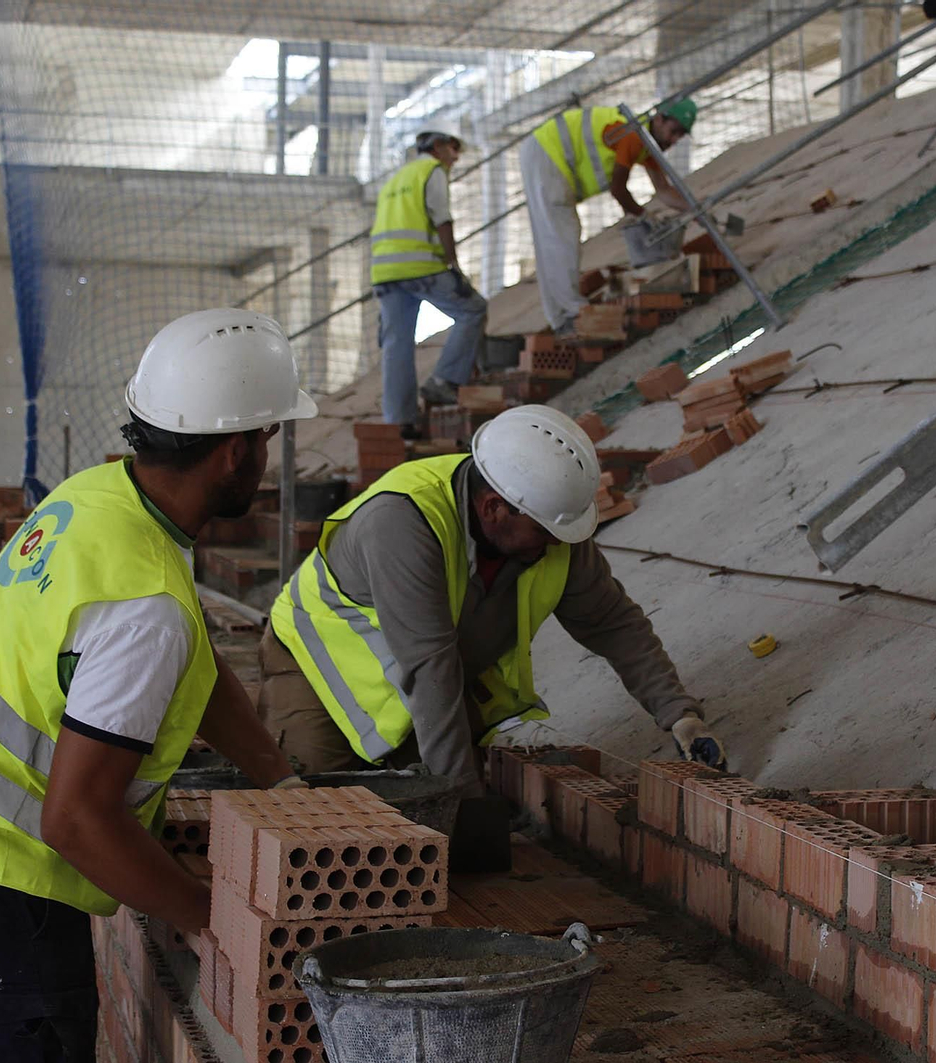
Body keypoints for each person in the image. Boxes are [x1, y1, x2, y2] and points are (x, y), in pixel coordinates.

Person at [0, 308, 317, 1062]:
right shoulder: (146, 607)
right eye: (269, 439)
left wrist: (282, 781)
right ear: (237, 450)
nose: (268, 459)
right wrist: (211, 919)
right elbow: (77, 821)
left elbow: (197, 673)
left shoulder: (101, 499)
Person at [255, 404, 727, 811]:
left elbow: (612, 622)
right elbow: (430, 669)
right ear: (494, 508)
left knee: (405, 808)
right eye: (545, 532)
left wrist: (680, 714)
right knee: (321, 808)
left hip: (421, 679)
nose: (557, 545)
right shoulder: (402, 522)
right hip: (317, 667)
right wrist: (463, 802)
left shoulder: (551, 528)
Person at [518, 100, 698, 337]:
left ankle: (560, 318)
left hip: (541, 151)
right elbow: (618, 190)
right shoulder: (631, 135)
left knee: (553, 239)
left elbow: (664, 190)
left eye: (681, 136)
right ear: (659, 119)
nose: (674, 140)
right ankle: (573, 315)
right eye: (674, 132)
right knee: (563, 237)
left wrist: (695, 209)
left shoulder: (644, 144)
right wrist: (644, 216)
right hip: (548, 154)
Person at [371, 125, 489, 436]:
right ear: (436, 146)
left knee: (396, 345)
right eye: (453, 150)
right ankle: (444, 380)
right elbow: (442, 219)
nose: (456, 158)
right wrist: (454, 266)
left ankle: (400, 422)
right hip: (421, 265)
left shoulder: (394, 180)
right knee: (473, 309)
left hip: (385, 272)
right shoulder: (432, 171)